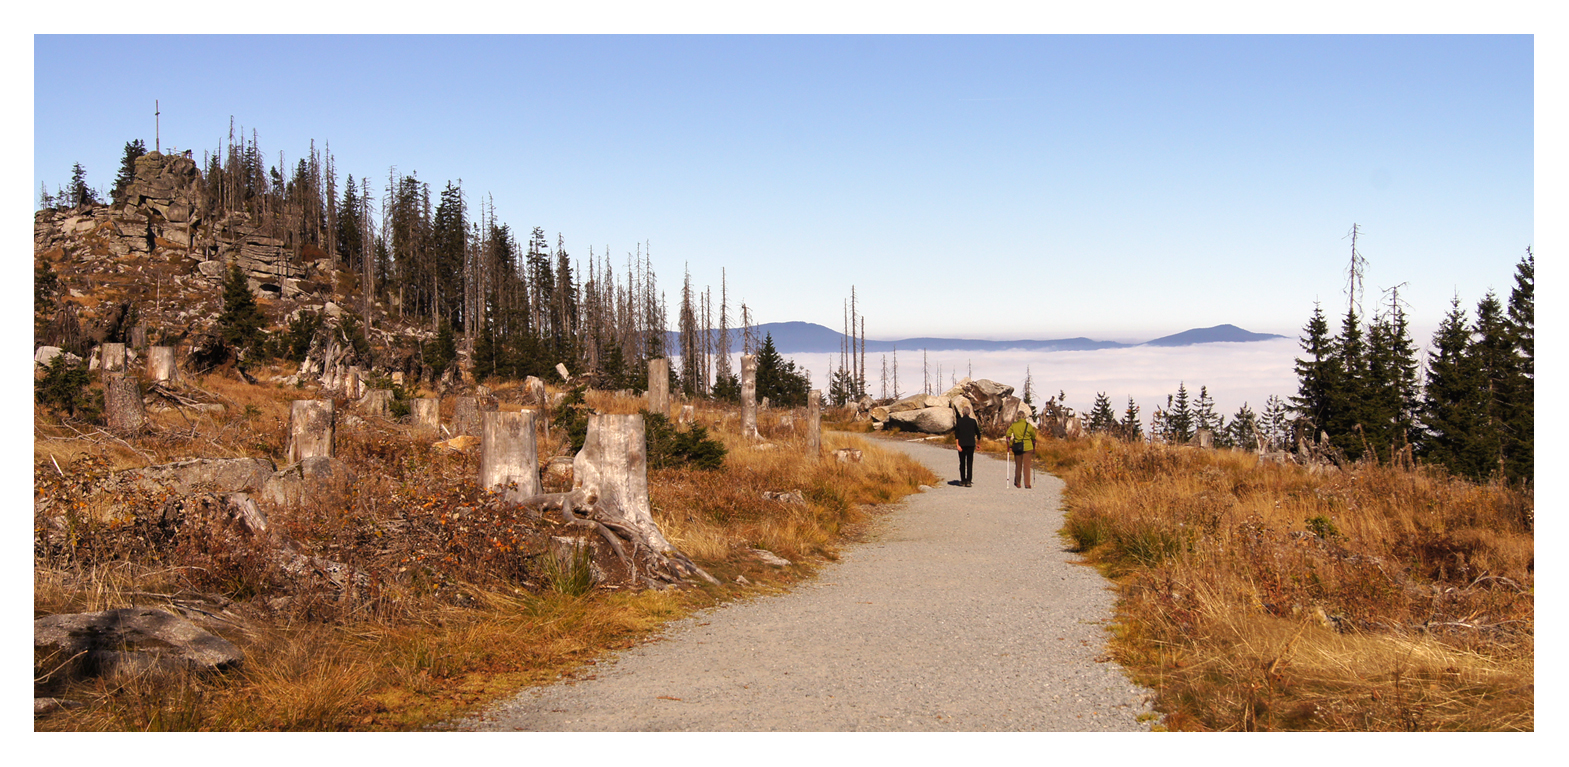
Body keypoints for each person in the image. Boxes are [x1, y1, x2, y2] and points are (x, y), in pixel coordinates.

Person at [1004, 411, 1039, 489]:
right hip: (1028, 447)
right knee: (1027, 466)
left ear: (1017, 417)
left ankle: (1018, 483)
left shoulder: (1014, 425)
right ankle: (1027, 484)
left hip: (1017, 447)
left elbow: (1008, 434)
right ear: (1024, 417)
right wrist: (1033, 442)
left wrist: (1009, 444)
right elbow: (1033, 436)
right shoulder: (1028, 426)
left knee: (1018, 465)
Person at [953, 402, 981, 487]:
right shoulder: (973, 421)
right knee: (969, 462)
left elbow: (957, 434)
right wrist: (978, 443)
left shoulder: (959, 421)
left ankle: (962, 480)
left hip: (962, 444)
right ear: (969, 413)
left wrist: (957, 445)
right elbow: (978, 433)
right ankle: (968, 481)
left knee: (962, 463)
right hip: (971, 444)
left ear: (962, 412)